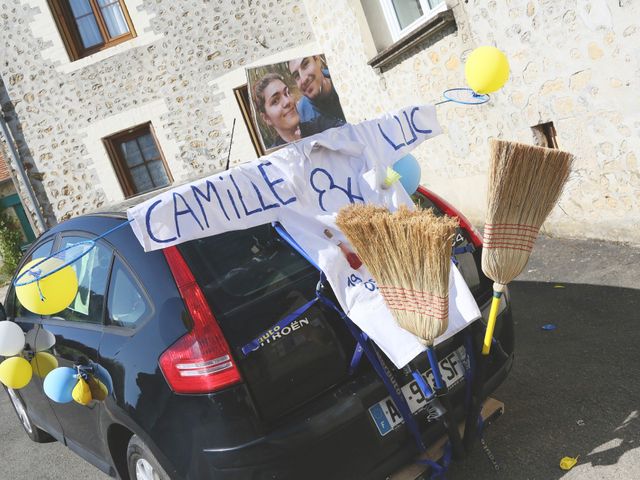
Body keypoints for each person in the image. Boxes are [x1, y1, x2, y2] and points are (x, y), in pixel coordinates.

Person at [288, 55, 346, 130]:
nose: (303, 79)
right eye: (297, 75)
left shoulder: (344, 79)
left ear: (317, 60)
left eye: (305, 65)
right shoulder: (303, 115)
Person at [253, 73, 302, 149]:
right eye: (275, 101)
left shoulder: (320, 127)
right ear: (266, 118)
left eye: (287, 93)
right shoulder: (276, 156)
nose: (287, 101)